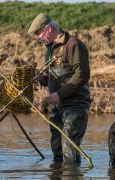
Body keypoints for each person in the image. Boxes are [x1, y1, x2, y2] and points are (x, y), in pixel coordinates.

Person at [28, 13, 91, 163]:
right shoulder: (50, 49)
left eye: (38, 33)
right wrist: (41, 79)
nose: (37, 38)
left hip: (75, 106)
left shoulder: (73, 44)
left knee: (69, 147)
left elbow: (82, 75)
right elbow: (53, 77)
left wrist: (60, 95)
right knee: (57, 148)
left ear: (49, 29)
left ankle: (71, 174)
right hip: (59, 107)